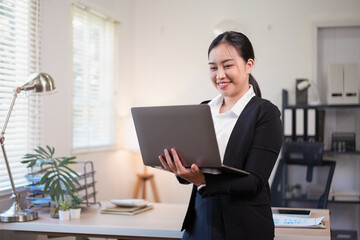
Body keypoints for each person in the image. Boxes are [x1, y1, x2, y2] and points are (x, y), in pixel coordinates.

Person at [159, 31, 283, 240]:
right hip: (200, 221)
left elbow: (254, 182)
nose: (220, 75)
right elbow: (193, 167)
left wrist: (203, 180)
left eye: (227, 66)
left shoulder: (266, 114)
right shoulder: (203, 110)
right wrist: (179, 168)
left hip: (244, 228)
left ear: (248, 65)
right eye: (213, 67)